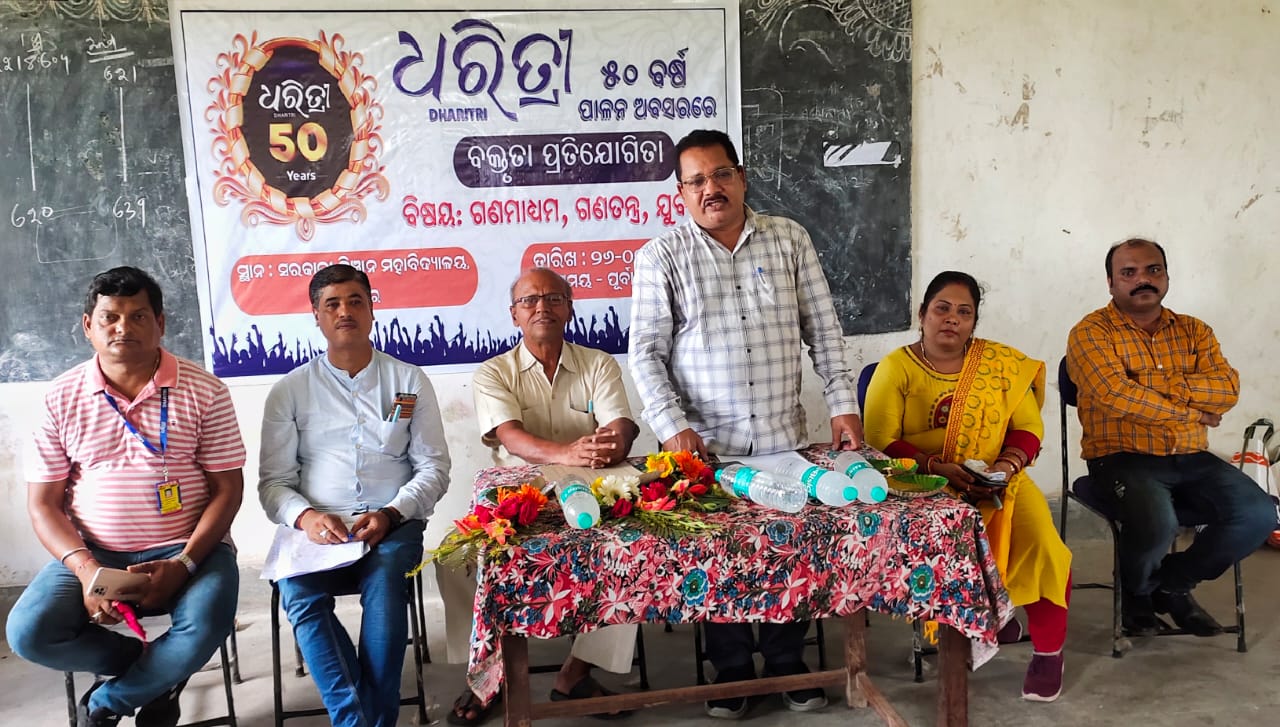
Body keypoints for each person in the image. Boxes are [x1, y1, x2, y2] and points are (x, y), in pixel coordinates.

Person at [628, 129, 860, 718]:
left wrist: (842, 403)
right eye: (696, 181)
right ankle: (730, 667)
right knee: (718, 555)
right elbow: (646, 354)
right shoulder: (661, 256)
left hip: (782, 437)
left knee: (791, 548)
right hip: (707, 447)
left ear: (741, 177)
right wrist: (672, 425)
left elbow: (824, 330)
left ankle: (785, 663)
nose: (711, 188)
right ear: (681, 194)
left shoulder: (789, 238)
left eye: (721, 174)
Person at [6, 266, 246, 727]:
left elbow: (228, 489)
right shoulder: (61, 397)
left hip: (189, 547)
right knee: (28, 633)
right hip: (95, 553)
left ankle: (106, 704)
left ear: (161, 323)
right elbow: (43, 505)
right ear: (88, 326)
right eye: (110, 317)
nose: (123, 327)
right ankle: (156, 673)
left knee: (206, 626)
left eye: (138, 316)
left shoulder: (206, 391)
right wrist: (87, 572)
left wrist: (185, 563)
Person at [862, 271, 1073, 702]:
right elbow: (879, 440)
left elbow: (1028, 428)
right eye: (942, 308)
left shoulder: (999, 365)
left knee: (1046, 548)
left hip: (998, 480)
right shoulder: (897, 367)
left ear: (974, 322)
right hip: (924, 485)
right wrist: (937, 467)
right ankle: (988, 619)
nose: (952, 319)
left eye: (964, 312)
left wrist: (1003, 469)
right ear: (922, 314)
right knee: (948, 553)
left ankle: (1049, 654)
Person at [443, 267, 639, 725]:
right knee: (455, 561)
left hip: (591, 491)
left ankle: (576, 673)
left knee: (632, 550)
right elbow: (510, 437)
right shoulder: (494, 372)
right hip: (518, 497)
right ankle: (488, 676)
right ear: (514, 315)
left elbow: (620, 425)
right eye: (529, 301)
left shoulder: (598, 363)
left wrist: (615, 441)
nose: (541, 307)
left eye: (553, 298)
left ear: (569, 309)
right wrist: (567, 452)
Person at [259, 264, 451, 727]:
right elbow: (273, 484)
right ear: (317, 316)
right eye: (332, 304)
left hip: (391, 524)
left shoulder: (408, 381)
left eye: (355, 301)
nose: (344, 311)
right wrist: (306, 517)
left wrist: (392, 513)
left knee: (385, 586)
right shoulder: (289, 391)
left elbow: (434, 467)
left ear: (371, 309)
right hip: (316, 528)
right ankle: (362, 720)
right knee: (297, 591)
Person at [1066, 238, 1274, 638]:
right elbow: (1115, 396)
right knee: (1158, 523)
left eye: (1153, 270)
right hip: (1121, 456)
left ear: (1165, 275)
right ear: (1110, 282)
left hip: (1191, 455)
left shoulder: (1195, 330)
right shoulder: (1090, 332)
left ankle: (1168, 584)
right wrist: (1193, 410)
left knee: (1259, 515)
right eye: (1129, 272)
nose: (1142, 279)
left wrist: (1156, 386)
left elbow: (1227, 390)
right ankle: (1139, 596)